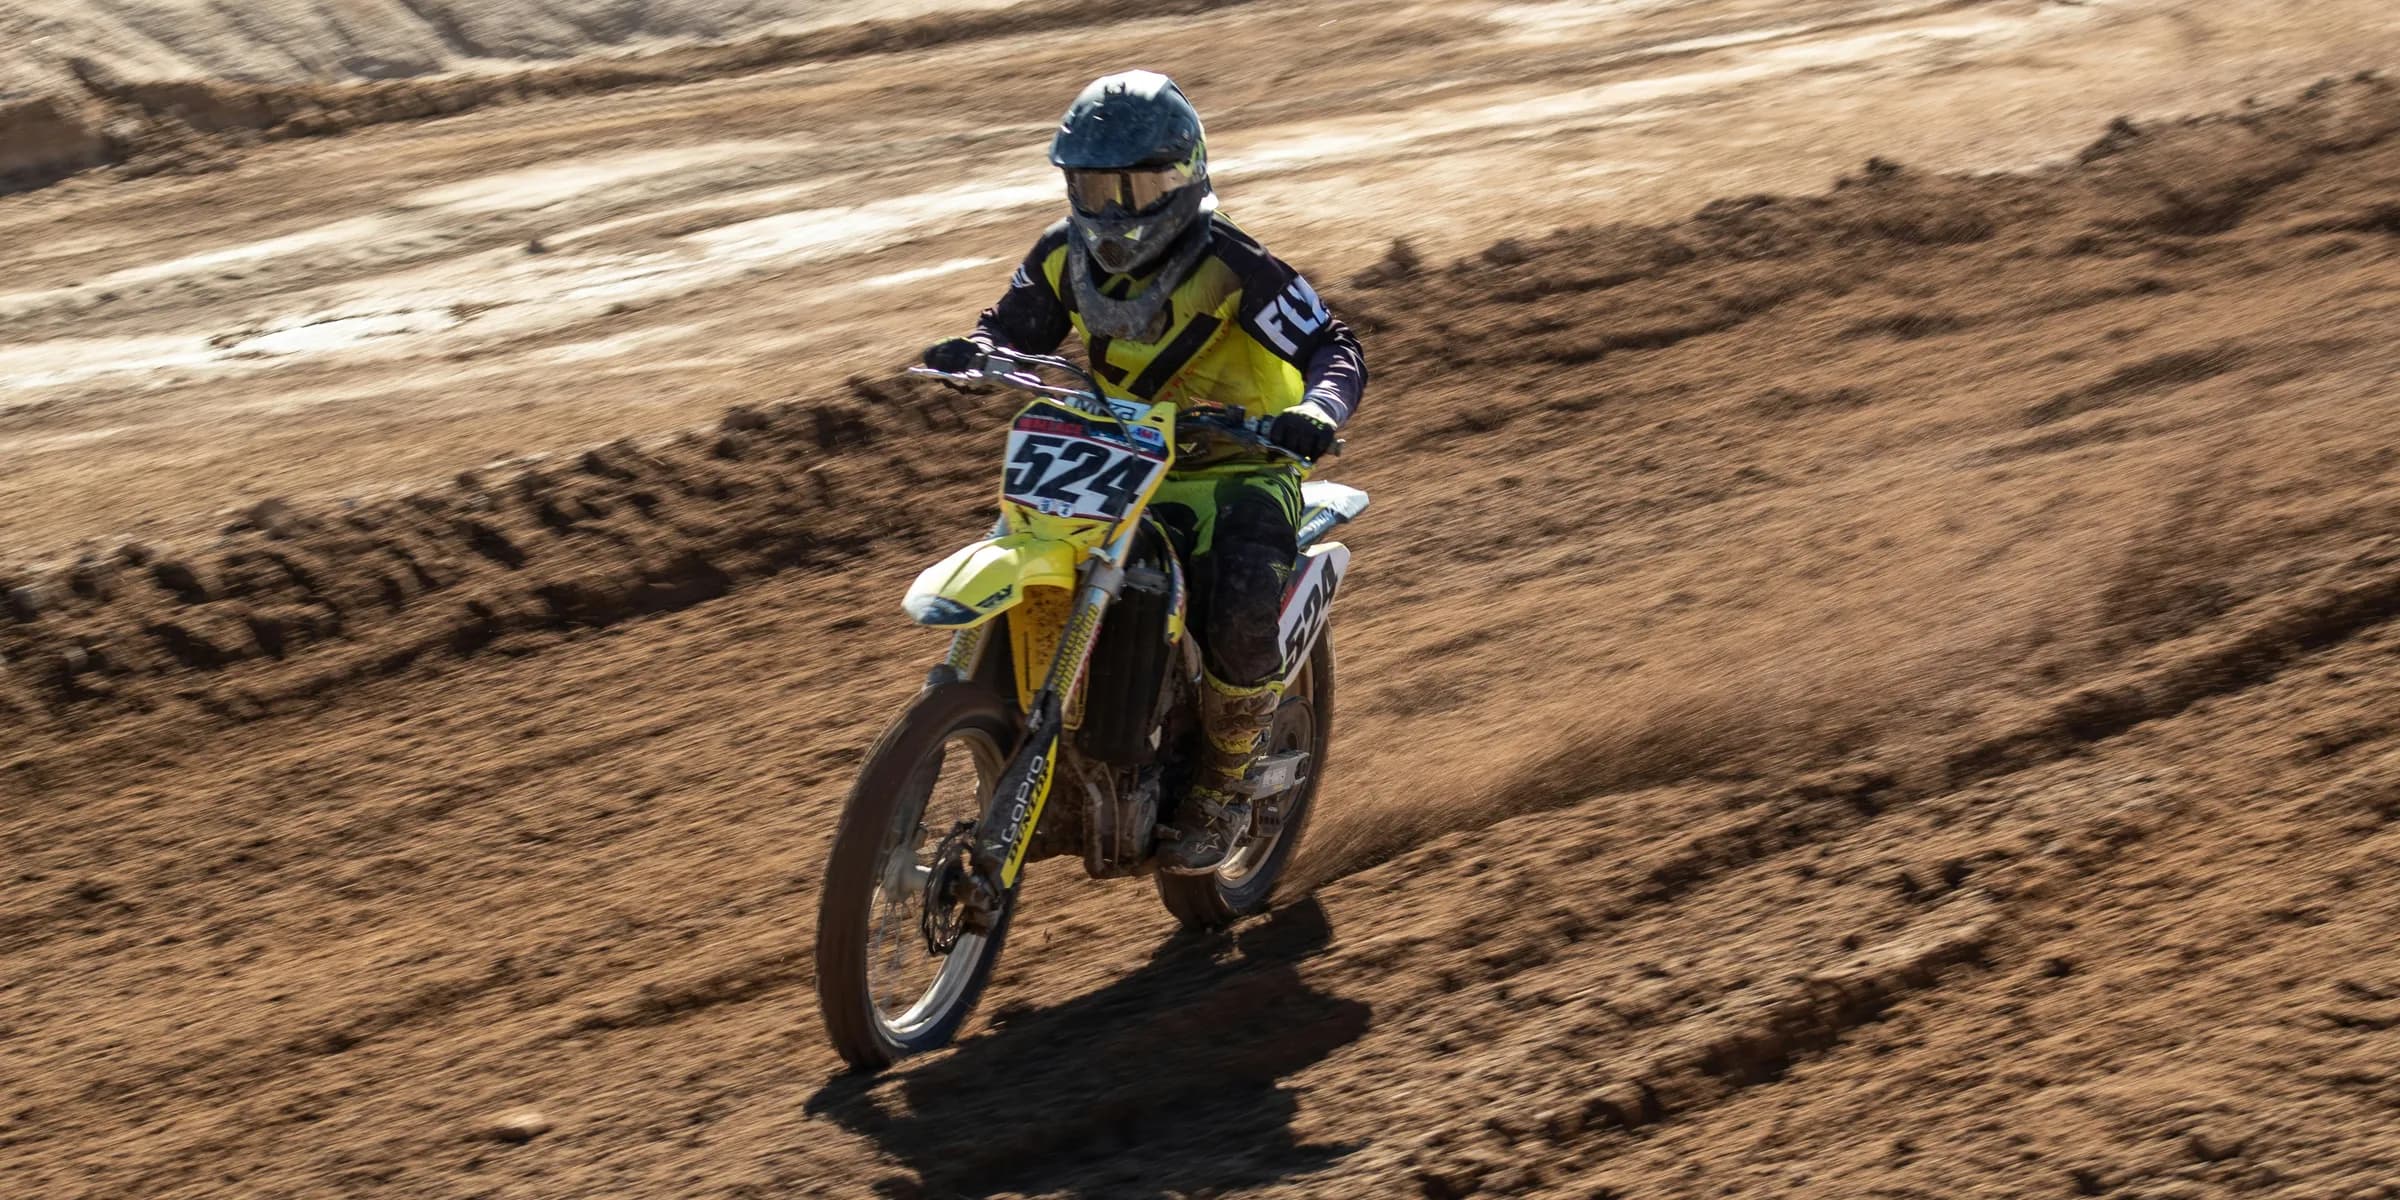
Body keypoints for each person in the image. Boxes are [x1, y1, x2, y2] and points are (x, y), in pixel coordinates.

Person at [921, 69, 1366, 874]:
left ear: (1188, 172)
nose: (1116, 208)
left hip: (1238, 463)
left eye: (1139, 184)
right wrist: (980, 351)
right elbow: (1013, 328)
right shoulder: (1062, 256)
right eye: (1096, 185)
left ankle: (1225, 787)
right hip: (1115, 462)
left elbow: (1334, 347)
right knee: (1030, 547)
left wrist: (1316, 414)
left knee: (1236, 605)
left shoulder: (1232, 261)